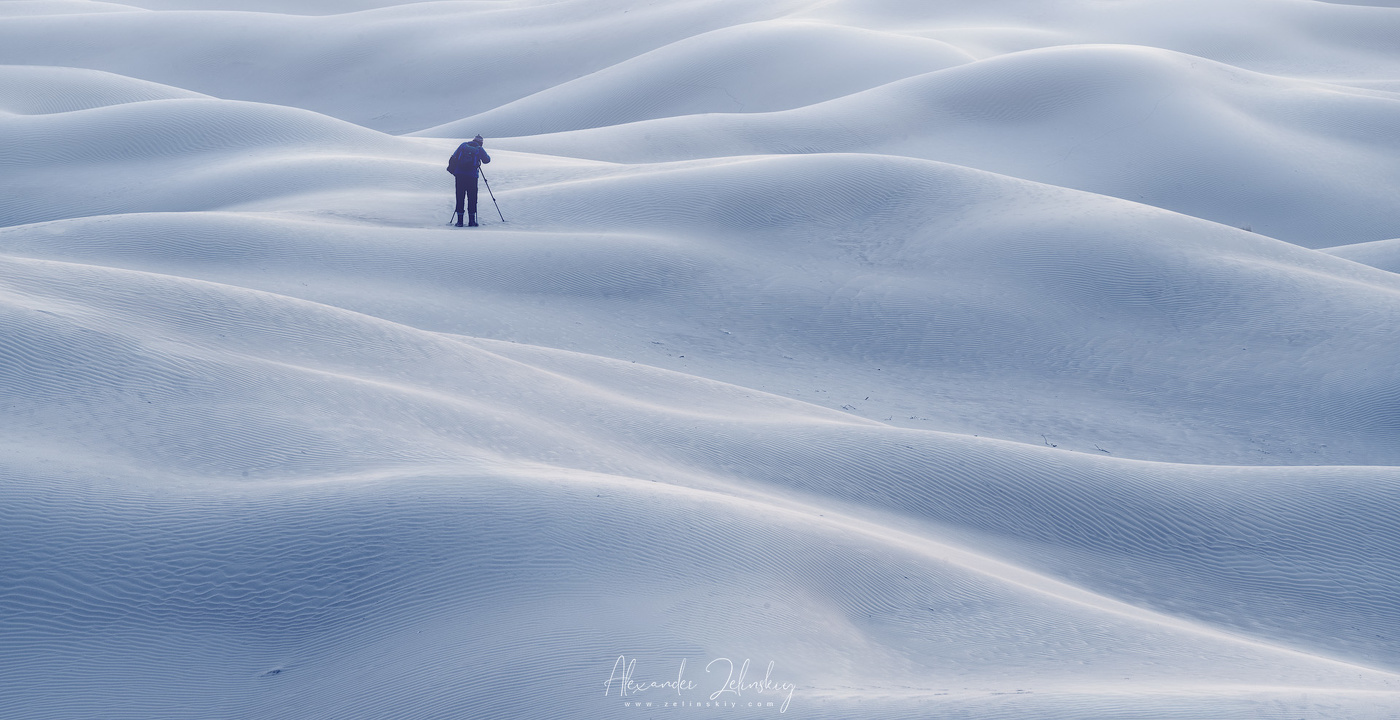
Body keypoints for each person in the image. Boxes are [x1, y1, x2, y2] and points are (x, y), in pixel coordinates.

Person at [447, 134, 491, 227]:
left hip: (459, 175)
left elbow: (454, 157)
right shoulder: (479, 148)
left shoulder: (463, 145)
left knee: (460, 197)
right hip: (472, 176)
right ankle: (472, 221)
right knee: (472, 198)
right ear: (481, 143)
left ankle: (459, 222)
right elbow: (487, 160)